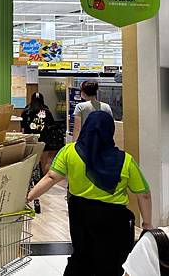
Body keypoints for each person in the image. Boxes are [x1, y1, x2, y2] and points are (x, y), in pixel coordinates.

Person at [28, 111, 152, 276]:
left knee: (81, 258)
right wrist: (147, 224)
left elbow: (51, 177)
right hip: (115, 220)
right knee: (111, 263)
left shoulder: (69, 152)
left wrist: (29, 197)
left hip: (81, 215)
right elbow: (144, 194)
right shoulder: (125, 160)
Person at [21, 92, 64, 174]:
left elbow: (23, 128)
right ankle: (43, 178)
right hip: (44, 140)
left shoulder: (26, 112)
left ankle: (31, 178)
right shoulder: (47, 111)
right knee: (44, 162)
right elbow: (51, 125)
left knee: (30, 162)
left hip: (30, 140)